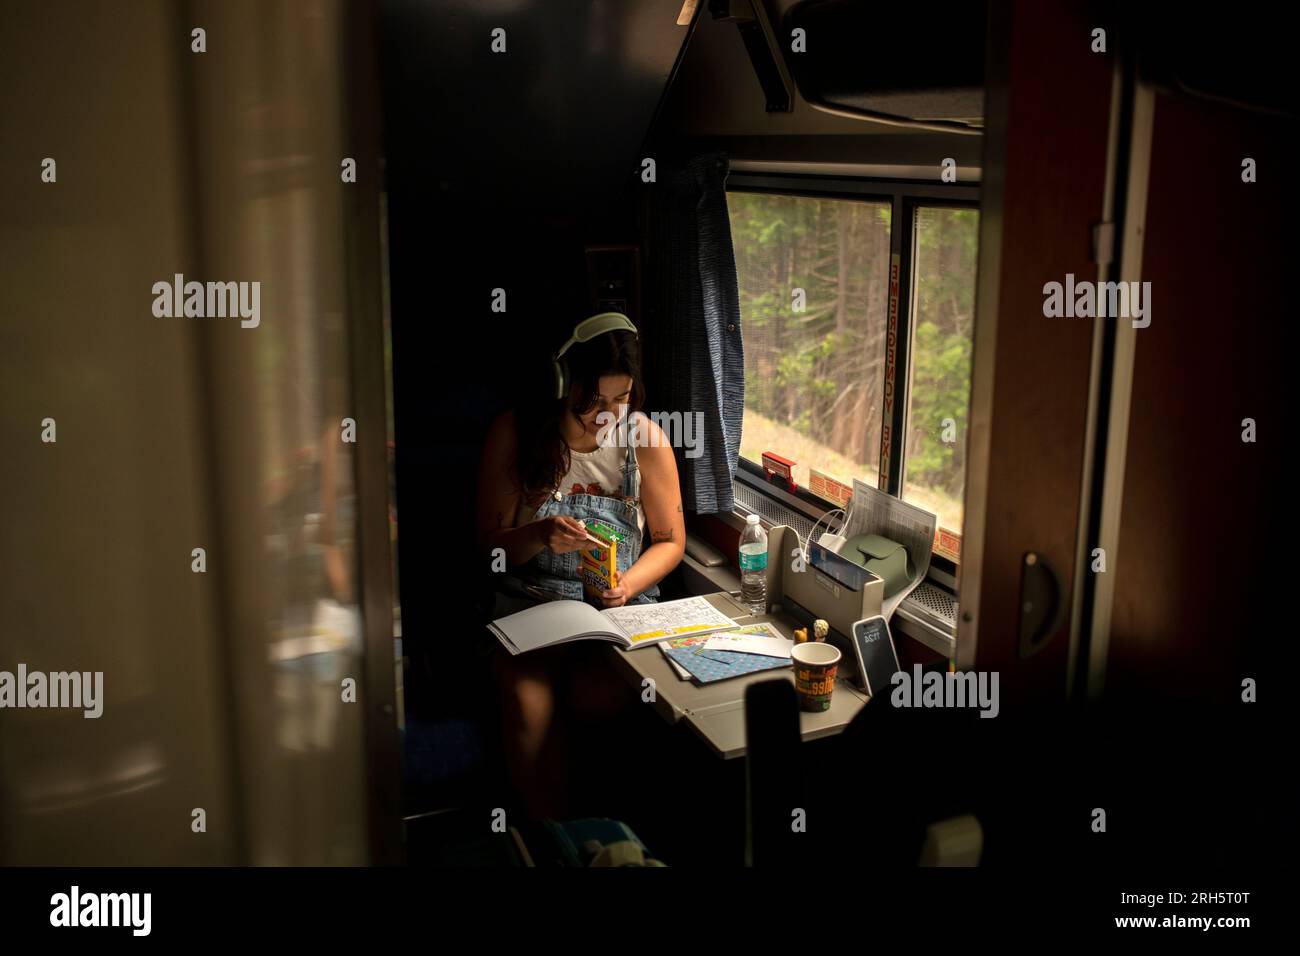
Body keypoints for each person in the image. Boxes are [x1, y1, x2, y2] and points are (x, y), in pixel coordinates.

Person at [475, 312, 685, 819]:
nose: (607, 415)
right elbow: (489, 549)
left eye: (622, 399)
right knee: (531, 706)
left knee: (606, 699)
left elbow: (670, 540)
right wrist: (538, 533)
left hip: (615, 614)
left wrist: (626, 583)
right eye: (594, 401)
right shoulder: (516, 433)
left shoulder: (646, 441)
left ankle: (603, 835)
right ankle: (549, 836)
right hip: (531, 604)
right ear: (564, 386)